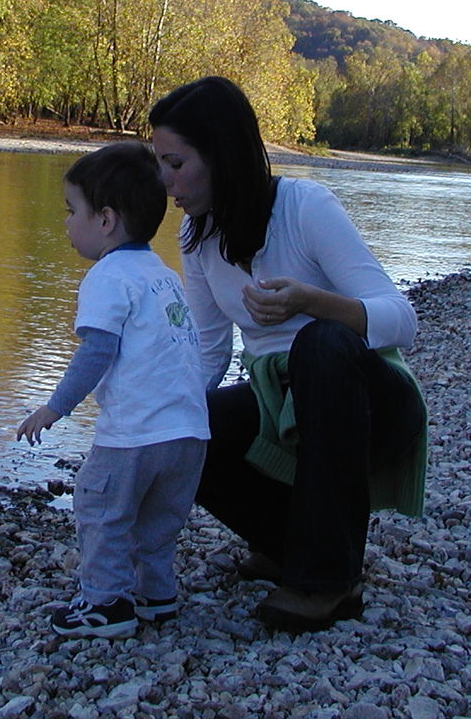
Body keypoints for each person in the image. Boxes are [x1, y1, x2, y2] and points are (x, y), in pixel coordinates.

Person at [148, 76, 427, 633]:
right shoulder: (195, 236)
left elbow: (403, 320)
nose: (165, 181)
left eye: (175, 164)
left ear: (221, 154)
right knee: (187, 425)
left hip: (373, 406)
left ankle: (329, 581)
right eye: (159, 163)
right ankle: (286, 549)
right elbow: (209, 351)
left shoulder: (304, 206)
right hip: (283, 412)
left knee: (318, 343)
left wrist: (315, 303)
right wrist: (165, 424)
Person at [17, 140, 209, 639]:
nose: (65, 223)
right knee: (157, 522)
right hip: (190, 431)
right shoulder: (163, 275)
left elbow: (97, 352)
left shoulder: (108, 275)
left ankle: (105, 604)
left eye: (71, 210)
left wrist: (53, 408)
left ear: (104, 220)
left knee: (100, 509)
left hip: (135, 434)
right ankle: (155, 596)